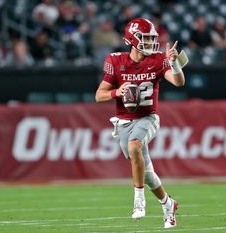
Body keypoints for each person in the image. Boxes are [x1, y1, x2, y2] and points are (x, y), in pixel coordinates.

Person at [95, 18, 185, 228]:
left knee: (134, 146)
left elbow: (179, 82)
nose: (151, 43)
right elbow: (99, 95)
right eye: (145, 38)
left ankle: (138, 200)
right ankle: (167, 203)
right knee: (146, 171)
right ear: (132, 39)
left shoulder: (158, 59)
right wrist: (118, 91)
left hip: (148, 117)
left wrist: (175, 63)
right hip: (124, 121)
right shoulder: (115, 60)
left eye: (152, 38)